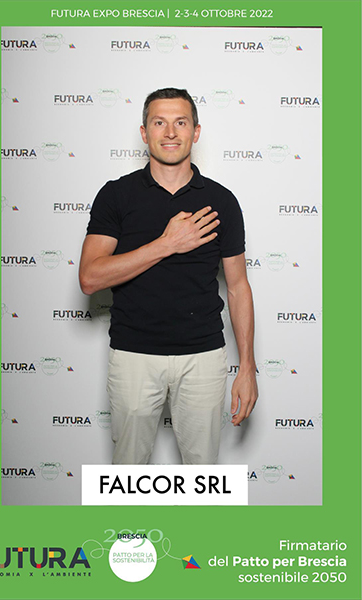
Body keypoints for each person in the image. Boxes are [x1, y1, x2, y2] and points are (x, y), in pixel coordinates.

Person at [79, 87, 258, 465]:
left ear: (196, 131)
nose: (171, 132)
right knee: (127, 475)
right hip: (133, 355)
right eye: (159, 123)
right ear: (144, 133)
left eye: (181, 122)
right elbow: (90, 278)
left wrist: (247, 368)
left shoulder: (222, 201)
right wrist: (166, 244)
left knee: (203, 477)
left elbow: (238, 287)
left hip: (203, 356)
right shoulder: (116, 195)